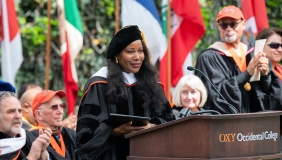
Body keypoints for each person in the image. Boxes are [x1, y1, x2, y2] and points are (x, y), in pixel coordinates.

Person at [75, 25, 175, 159]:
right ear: (117, 54)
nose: (137, 57)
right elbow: (86, 134)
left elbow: (169, 121)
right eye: (130, 52)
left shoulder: (152, 85)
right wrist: (112, 131)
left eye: (140, 51)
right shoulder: (99, 84)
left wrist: (153, 126)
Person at [195, 5, 282, 114]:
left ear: (243, 24)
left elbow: (269, 99)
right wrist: (247, 74)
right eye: (223, 25)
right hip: (226, 125)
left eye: (233, 24)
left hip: (256, 124)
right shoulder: (209, 57)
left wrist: (266, 76)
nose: (228, 29)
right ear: (218, 27)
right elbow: (215, 95)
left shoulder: (252, 54)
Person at [0, 91, 51, 160]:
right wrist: (32, 157)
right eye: (11, 111)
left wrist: (43, 154)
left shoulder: (28, 137)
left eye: (20, 111)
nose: (18, 116)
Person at [31, 89, 77, 160]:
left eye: (62, 106)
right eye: (54, 107)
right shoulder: (32, 139)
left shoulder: (69, 133)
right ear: (39, 114)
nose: (60, 111)